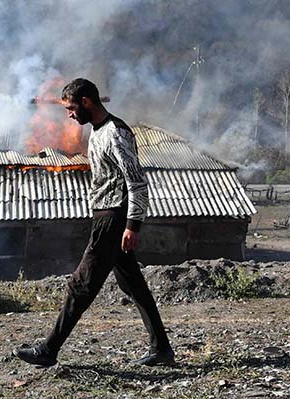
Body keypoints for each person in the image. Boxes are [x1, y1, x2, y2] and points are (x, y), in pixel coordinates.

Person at [13, 78, 174, 367]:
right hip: (104, 216)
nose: (69, 115)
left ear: (87, 102)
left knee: (80, 285)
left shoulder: (116, 132)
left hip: (113, 219)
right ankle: (161, 348)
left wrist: (132, 225)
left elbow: (136, 182)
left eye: (72, 108)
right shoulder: (96, 133)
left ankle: (48, 350)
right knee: (134, 285)